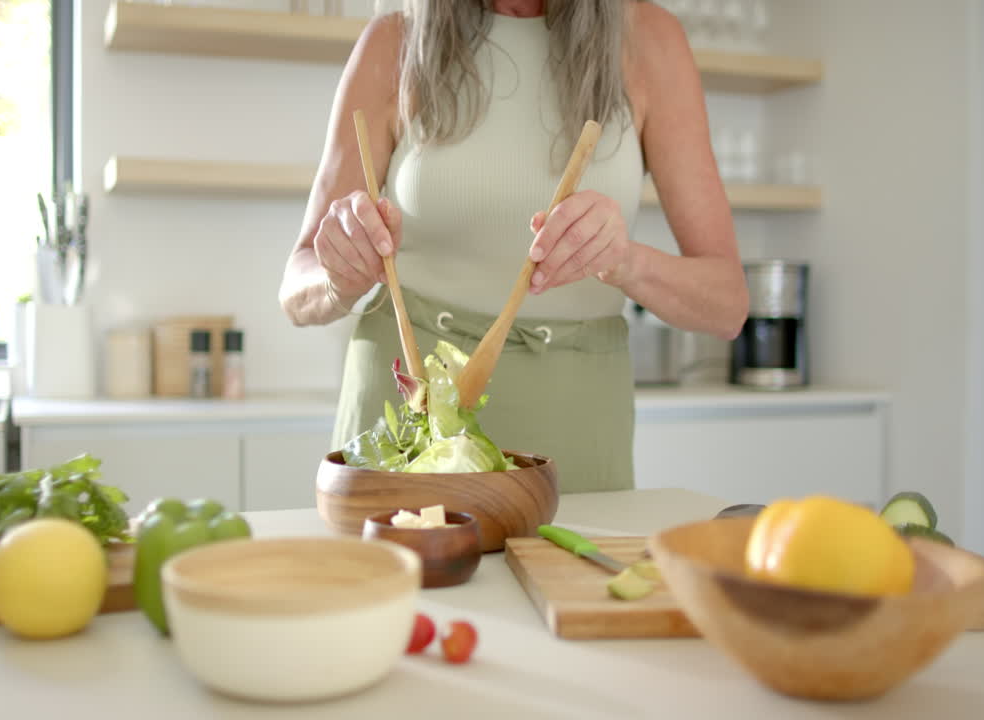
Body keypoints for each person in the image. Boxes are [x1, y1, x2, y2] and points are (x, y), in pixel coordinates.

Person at [279, 0, 747, 492]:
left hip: (574, 425)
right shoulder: (392, 39)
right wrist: (339, 275)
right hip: (403, 425)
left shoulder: (652, 39)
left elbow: (726, 306)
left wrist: (624, 260)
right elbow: (297, 288)